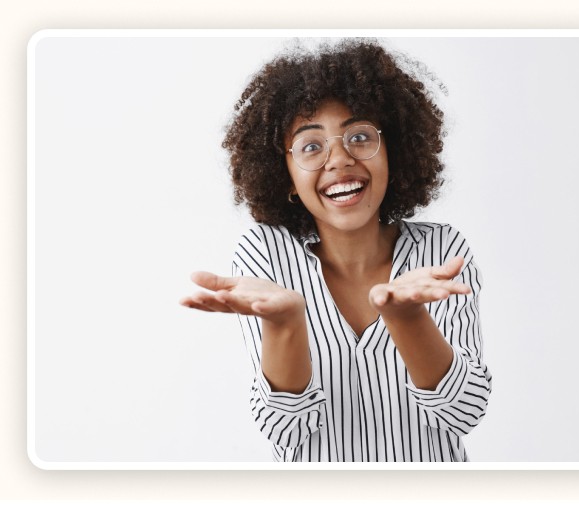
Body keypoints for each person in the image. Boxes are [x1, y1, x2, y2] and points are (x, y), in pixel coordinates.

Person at [180, 39, 491, 462]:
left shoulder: (441, 249)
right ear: (285, 175)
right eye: (311, 146)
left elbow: (462, 413)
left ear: (393, 151)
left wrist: (406, 316)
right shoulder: (266, 255)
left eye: (359, 137)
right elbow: (287, 430)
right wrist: (285, 323)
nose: (339, 159)